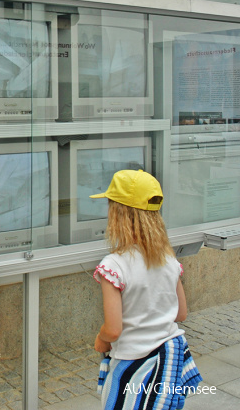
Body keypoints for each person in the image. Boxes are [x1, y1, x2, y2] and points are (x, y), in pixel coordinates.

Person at [91, 169, 202, 410]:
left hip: (134, 363)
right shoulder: (168, 259)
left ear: (116, 215)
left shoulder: (113, 265)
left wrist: (101, 340)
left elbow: (113, 328)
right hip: (170, 359)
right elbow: (180, 314)